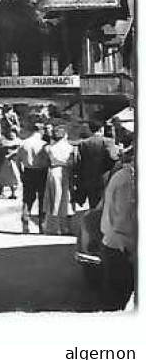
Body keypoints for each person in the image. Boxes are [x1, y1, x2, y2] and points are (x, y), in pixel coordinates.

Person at [98, 147, 136, 308]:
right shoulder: (129, 180)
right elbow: (124, 220)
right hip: (121, 248)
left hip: (116, 244)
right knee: (118, 301)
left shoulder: (123, 176)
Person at [73, 122, 122, 209]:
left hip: (89, 177)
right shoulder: (108, 141)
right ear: (101, 129)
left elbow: (80, 161)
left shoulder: (84, 143)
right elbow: (113, 157)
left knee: (93, 204)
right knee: (104, 204)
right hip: (103, 176)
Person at [40, 124, 78, 236]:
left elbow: (46, 162)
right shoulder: (71, 148)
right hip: (66, 172)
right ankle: (66, 227)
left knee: (54, 198)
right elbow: (73, 163)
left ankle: (53, 227)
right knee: (67, 198)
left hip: (54, 171)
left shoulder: (49, 148)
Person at [15, 121, 50, 234]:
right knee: (42, 198)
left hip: (28, 171)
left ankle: (25, 218)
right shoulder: (43, 144)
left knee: (27, 198)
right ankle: (42, 224)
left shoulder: (24, 143)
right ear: (41, 131)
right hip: (42, 172)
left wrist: (21, 173)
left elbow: (17, 161)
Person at [0, 113, 23, 198]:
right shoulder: (2, 140)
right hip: (4, 160)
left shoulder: (17, 139)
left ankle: (13, 192)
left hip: (13, 160)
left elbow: (19, 148)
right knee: (2, 176)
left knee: (14, 176)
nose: (11, 133)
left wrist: (13, 152)